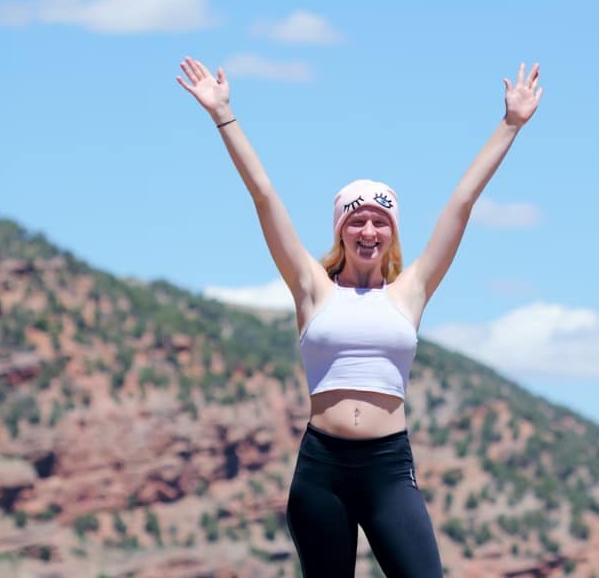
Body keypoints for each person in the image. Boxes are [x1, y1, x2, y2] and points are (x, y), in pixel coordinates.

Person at [177, 56, 542, 577]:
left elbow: (461, 203)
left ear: (391, 233)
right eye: (357, 220)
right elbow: (264, 195)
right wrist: (223, 115)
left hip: (387, 469)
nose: (368, 230)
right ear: (341, 231)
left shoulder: (410, 291)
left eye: (380, 221)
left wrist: (510, 125)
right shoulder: (311, 288)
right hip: (321, 470)